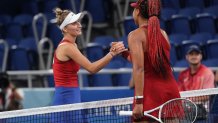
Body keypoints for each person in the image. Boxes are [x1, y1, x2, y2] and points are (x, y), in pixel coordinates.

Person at [120, 0, 181, 122]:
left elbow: (139, 68)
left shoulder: (135, 35)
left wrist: (139, 101)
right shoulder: (163, 33)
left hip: (149, 94)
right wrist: (124, 53)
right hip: (170, 92)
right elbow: (150, 61)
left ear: (137, 12)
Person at [52, 8, 127, 106]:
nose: (79, 25)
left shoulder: (72, 45)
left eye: (78, 22)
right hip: (65, 96)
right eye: (74, 23)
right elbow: (92, 68)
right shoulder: (67, 47)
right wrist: (112, 54)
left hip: (72, 93)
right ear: (65, 29)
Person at [177, 45, 215, 120]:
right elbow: (179, 93)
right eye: (191, 54)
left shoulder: (207, 73)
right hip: (186, 106)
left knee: (182, 112)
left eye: (196, 54)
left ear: (201, 56)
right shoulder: (183, 74)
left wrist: (187, 101)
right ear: (186, 57)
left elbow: (207, 96)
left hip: (202, 108)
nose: (194, 56)